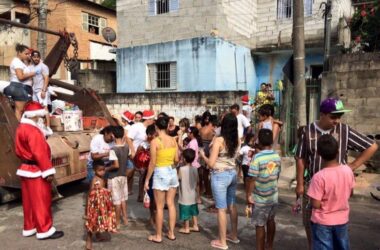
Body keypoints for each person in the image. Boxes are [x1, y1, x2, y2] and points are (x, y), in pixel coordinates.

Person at [295, 98, 378, 249]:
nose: (337, 120)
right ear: (322, 115)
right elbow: (301, 158)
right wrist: (300, 183)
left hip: (336, 189)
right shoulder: (308, 131)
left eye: (339, 116)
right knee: (311, 225)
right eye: (333, 117)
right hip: (313, 189)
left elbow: (371, 146)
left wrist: (353, 165)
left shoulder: (344, 130)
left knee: (337, 227)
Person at [15, 101, 64, 240]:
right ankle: (45, 229)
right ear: (35, 116)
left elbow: (19, 150)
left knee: (29, 202)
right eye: (41, 116)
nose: (42, 118)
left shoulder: (21, 128)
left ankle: (30, 227)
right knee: (41, 201)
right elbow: (40, 153)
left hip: (25, 168)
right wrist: (48, 171)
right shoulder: (33, 131)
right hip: (36, 170)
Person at [307, 134, 355, 250]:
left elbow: (316, 204)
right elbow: (351, 192)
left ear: (318, 153)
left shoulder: (318, 177)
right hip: (342, 219)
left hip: (322, 221)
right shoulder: (348, 170)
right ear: (338, 150)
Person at [199, 113, 239, 250]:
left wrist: (203, 155)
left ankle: (222, 242)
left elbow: (211, 163)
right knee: (232, 205)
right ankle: (233, 235)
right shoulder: (237, 139)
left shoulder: (219, 141)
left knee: (221, 209)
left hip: (220, 175)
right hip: (233, 173)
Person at [144, 116, 179, 243]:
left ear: (157, 127)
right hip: (172, 171)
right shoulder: (173, 140)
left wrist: (147, 179)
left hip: (161, 171)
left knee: (159, 206)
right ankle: (171, 233)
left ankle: (158, 236)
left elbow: (152, 163)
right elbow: (176, 159)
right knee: (170, 203)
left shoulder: (155, 141)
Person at [246, 129, 281, 250]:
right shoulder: (276, 156)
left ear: (259, 141)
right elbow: (277, 174)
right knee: (271, 220)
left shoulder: (257, 158)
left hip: (260, 198)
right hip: (273, 195)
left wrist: (249, 195)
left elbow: (252, 179)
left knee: (259, 224)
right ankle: (269, 245)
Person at [86, 160, 117, 250]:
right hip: (94, 205)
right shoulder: (95, 179)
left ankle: (98, 235)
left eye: (103, 170)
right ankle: (89, 240)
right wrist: (88, 207)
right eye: (100, 170)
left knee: (99, 221)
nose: (102, 172)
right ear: (94, 170)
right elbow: (90, 193)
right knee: (92, 222)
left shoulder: (103, 179)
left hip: (101, 204)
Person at [4, 44, 37, 121]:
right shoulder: (17, 62)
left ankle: (20, 129)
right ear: (19, 53)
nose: (28, 55)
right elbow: (20, 77)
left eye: (28, 53)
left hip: (21, 87)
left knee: (23, 111)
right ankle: (17, 130)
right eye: (26, 53)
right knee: (19, 111)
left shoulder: (21, 62)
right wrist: (32, 74)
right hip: (18, 87)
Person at [128, 110, 155, 199]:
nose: (154, 120)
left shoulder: (150, 128)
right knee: (138, 173)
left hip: (145, 153)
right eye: (153, 119)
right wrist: (132, 151)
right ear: (149, 119)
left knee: (144, 173)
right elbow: (128, 138)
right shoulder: (137, 126)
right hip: (136, 154)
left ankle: (142, 194)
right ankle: (139, 194)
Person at [106, 126, 130, 228]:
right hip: (123, 176)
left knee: (116, 201)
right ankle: (125, 219)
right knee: (123, 199)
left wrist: (106, 168)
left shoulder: (113, 149)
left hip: (114, 177)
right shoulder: (126, 147)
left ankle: (117, 222)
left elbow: (115, 165)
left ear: (113, 135)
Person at [178, 148, 200, 234]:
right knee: (194, 210)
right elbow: (198, 182)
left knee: (185, 212)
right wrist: (198, 195)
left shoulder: (181, 169)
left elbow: (178, 179)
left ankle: (186, 228)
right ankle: (195, 225)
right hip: (193, 195)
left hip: (184, 196)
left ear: (184, 158)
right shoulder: (195, 169)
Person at [30, 50, 50, 127]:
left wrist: (44, 90)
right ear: (32, 57)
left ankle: (48, 127)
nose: (36, 59)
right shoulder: (31, 67)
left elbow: (46, 78)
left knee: (45, 108)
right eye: (34, 57)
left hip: (41, 90)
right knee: (36, 108)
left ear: (40, 57)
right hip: (34, 90)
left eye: (37, 57)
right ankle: (38, 125)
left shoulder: (43, 66)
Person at [186, 127, 202, 203]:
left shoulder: (192, 143)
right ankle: (198, 198)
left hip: (193, 165)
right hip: (196, 164)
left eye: (188, 132)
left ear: (192, 134)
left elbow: (190, 154)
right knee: (196, 183)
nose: (187, 134)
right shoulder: (194, 141)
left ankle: (197, 198)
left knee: (193, 183)